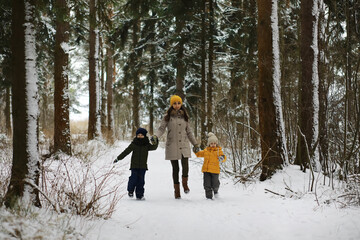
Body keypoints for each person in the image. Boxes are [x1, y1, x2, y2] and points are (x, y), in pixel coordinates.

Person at [152, 95, 200, 199]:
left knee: (185, 166)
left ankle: (185, 184)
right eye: (174, 103)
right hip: (172, 145)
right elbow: (161, 129)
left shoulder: (185, 116)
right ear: (171, 104)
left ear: (181, 104)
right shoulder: (167, 116)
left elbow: (189, 132)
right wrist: (156, 136)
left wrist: (195, 144)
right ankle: (177, 191)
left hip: (184, 144)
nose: (177, 105)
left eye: (178, 103)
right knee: (176, 168)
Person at [114, 128, 158, 200]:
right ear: (136, 135)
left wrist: (155, 142)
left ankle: (140, 195)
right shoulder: (134, 144)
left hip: (143, 166)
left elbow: (154, 147)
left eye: (141, 135)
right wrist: (118, 158)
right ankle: (130, 190)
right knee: (133, 179)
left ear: (144, 136)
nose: (140, 136)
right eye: (138, 135)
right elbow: (126, 152)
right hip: (134, 166)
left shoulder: (147, 144)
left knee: (141, 181)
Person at [193, 132, 226, 200]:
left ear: (216, 143)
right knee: (207, 184)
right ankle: (208, 197)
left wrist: (222, 157)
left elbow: (223, 156)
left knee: (215, 184)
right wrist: (196, 151)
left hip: (215, 170)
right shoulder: (206, 151)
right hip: (206, 170)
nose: (213, 145)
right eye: (211, 143)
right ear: (209, 144)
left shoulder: (218, 151)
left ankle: (216, 191)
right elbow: (199, 154)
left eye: (214, 143)